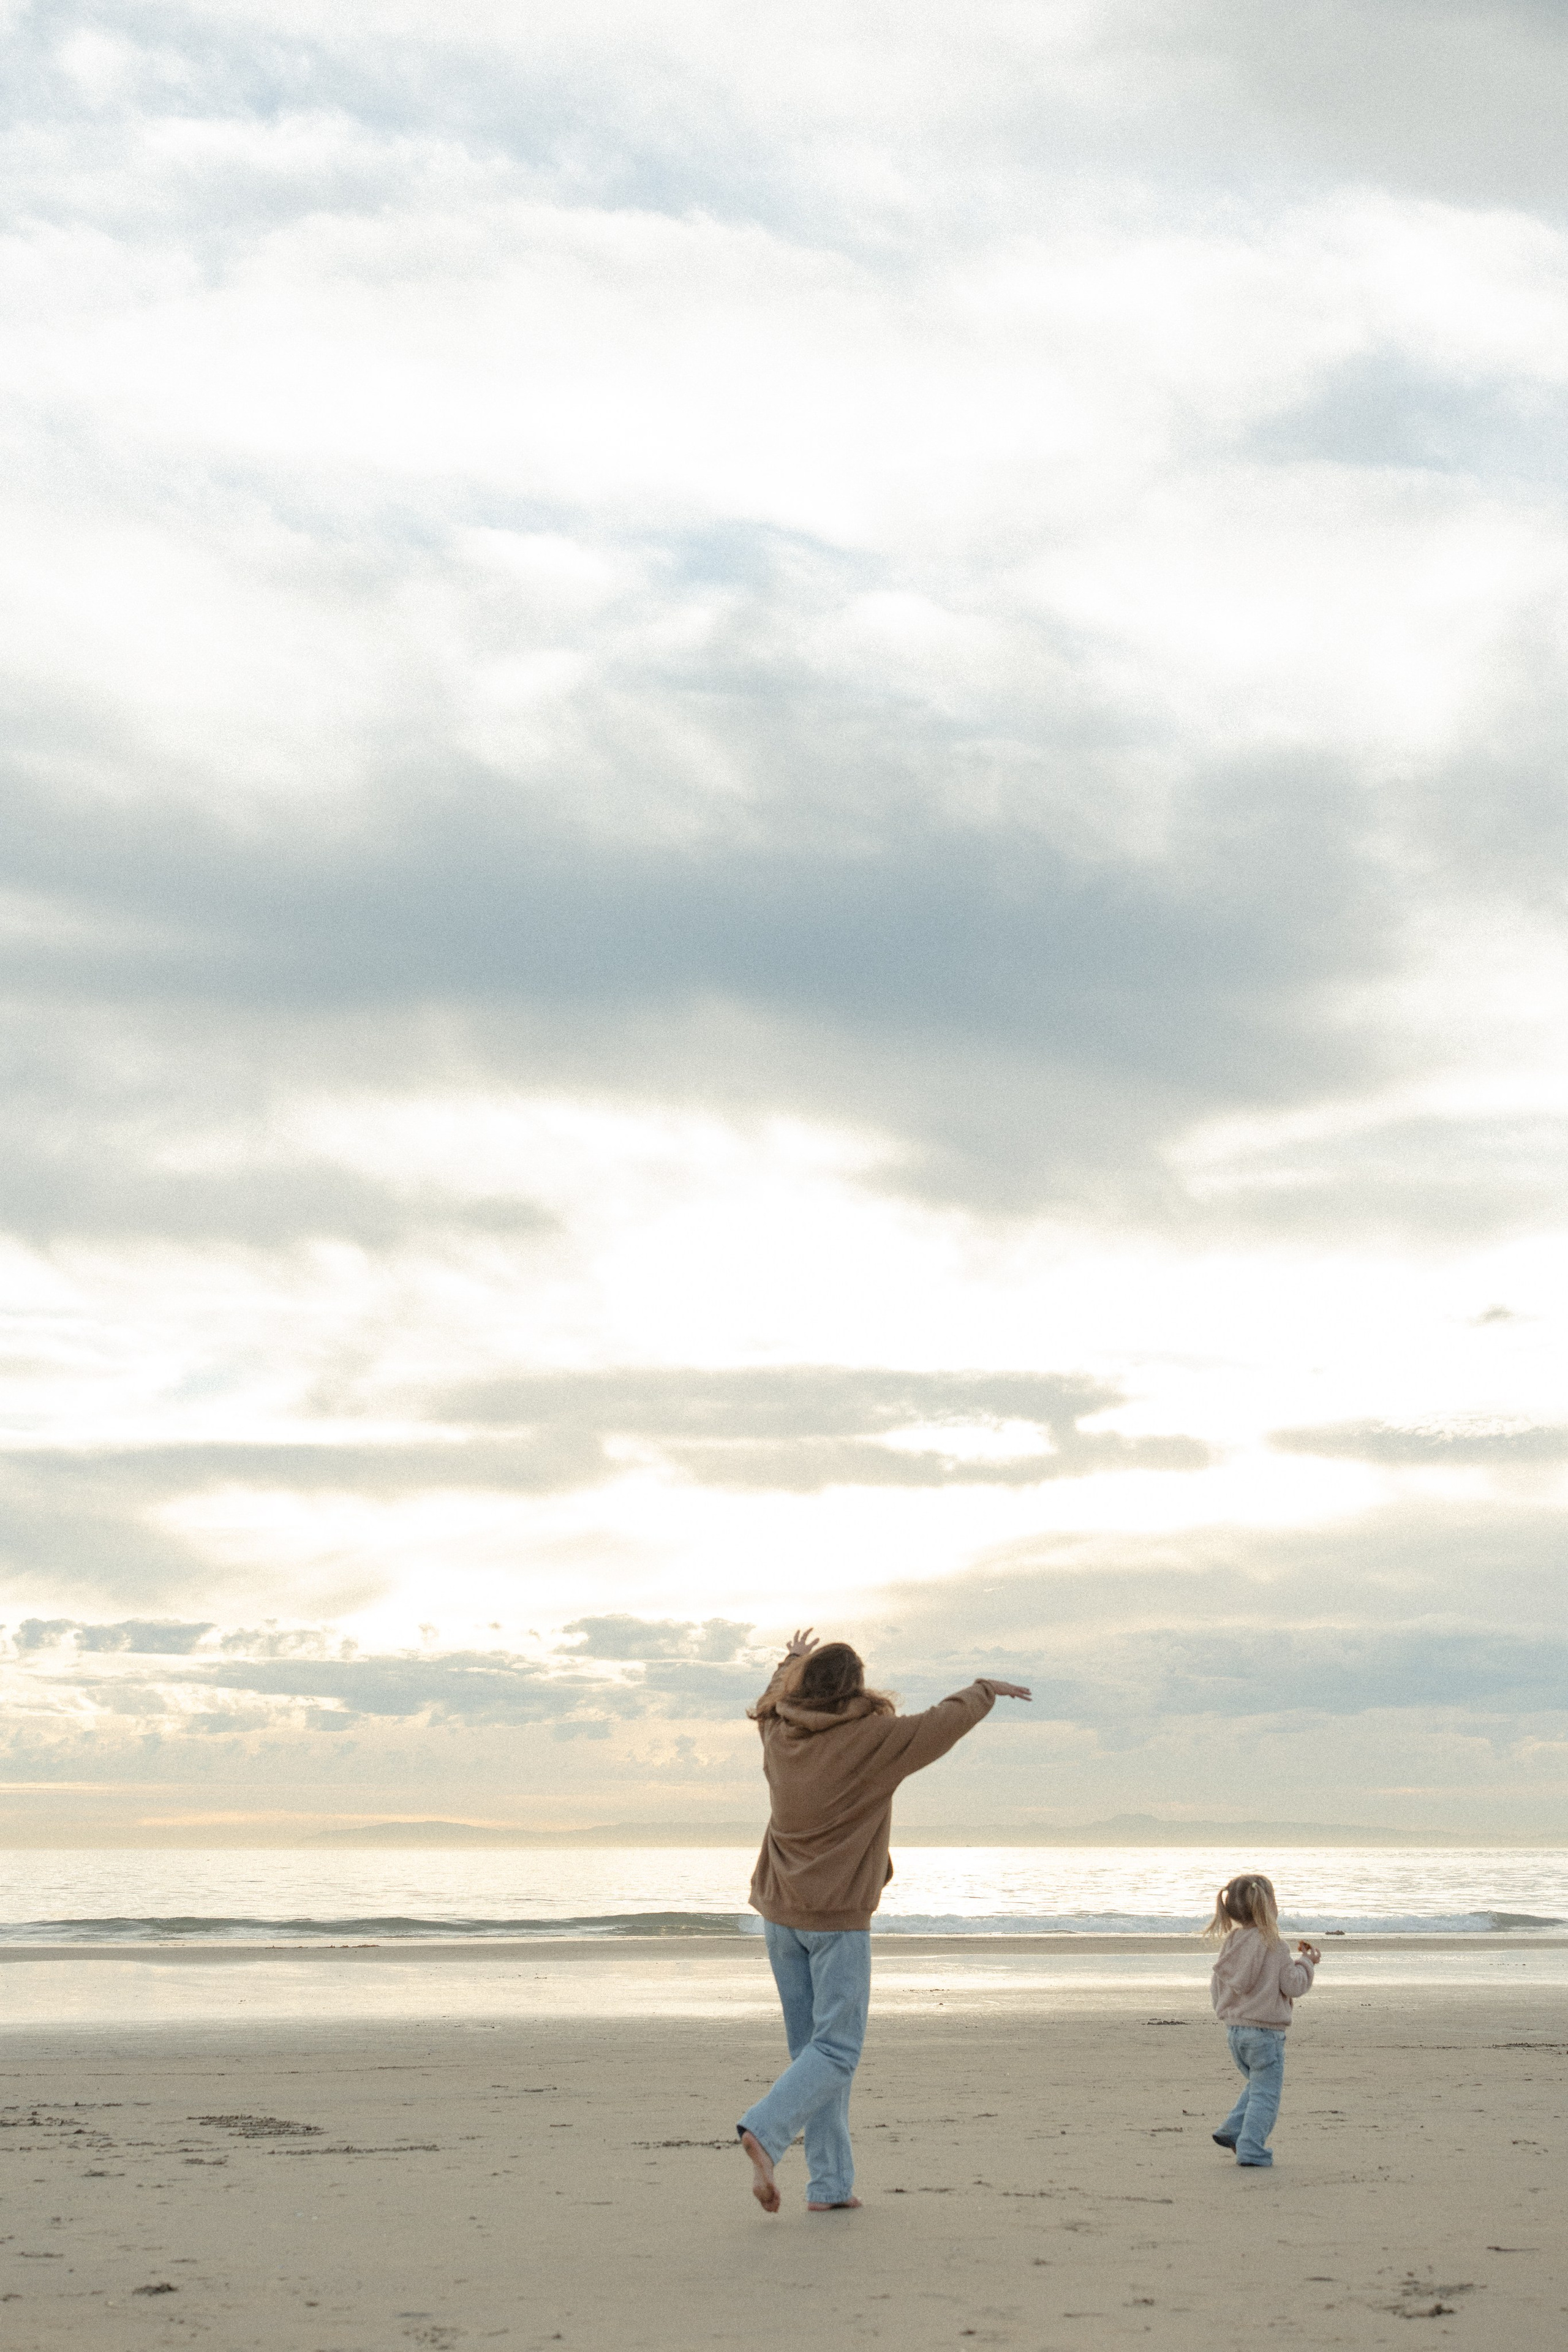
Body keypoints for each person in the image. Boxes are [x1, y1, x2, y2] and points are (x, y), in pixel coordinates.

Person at [736, 1626, 1031, 2216]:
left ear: (804, 1683)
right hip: (838, 1921)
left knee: (813, 2059)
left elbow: (771, 1697)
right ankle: (765, 2132)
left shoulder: (778, 1731)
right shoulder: (874, 1740)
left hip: (780, 1916)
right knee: (836, 2052)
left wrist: (788, 1659)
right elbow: (939, 1726)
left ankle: (829, 2187)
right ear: (857, 1686)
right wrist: (982, 1691)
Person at [1205, 1871, 1322, 2169]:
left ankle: (1232, 2131)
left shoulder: (1232, 1943)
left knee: (1258, 2085)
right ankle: (1251, 2148)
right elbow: (1294, 1985)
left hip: (1235, 2034)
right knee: (1266, 2095)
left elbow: (1218, 1984)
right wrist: (1307, 1963)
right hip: (1265, 2036)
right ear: (1269, 1906)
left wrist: (1227, 2012)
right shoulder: (1274, 1945)